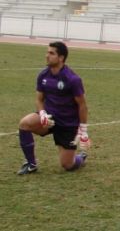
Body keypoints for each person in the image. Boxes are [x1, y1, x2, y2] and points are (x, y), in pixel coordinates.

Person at [17, 41, 91, 175]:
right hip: (49, 119)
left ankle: (81, 157)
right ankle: (31, 164)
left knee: (68, 165)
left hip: (67, 124)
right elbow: (39, 99)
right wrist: (43, 113)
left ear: (61, 57)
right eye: (47, 52)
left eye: (51, 53)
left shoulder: (72, 79)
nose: (47, 55)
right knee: (24, 124)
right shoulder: (43, 75)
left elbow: (82, 105)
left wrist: (83, 130)